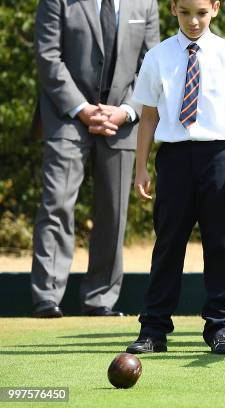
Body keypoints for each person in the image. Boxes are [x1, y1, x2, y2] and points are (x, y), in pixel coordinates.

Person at [125, 0, 225, 355]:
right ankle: (153, 331)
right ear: (173, 10)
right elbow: (149, 117)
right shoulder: (158, 56)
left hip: (218, 157)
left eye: (201, 12)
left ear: (214, 8)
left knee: (221, 246)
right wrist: (141, 167)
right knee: (167, 245)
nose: (194, 20)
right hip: (174, 159)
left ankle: (220, 329)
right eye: (185, 12)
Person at [31, 0, 159, 318]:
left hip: (123, 119)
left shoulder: (146, 3)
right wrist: (84, 110)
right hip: (66, 115)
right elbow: (48, 57)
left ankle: (100, 298)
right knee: (57, 201)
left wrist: (126, 110)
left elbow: (150, 65)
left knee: (113, 211)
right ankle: (47, 296)